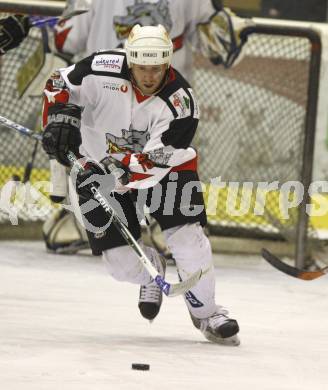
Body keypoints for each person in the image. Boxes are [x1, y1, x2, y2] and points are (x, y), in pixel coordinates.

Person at [45, 0, 249, 324]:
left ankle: (209, 314)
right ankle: (151, 270)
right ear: (129, 60)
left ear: (168, 61)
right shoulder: (99, 69)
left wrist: (109, 175)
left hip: (165, 172)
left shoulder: (181, 102)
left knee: (188, 240)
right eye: (143, 68)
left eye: (157, 68)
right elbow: (59, 83)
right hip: (99, 169)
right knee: (119, 266)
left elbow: (157, 160)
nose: (150, 76)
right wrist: (59, 117)